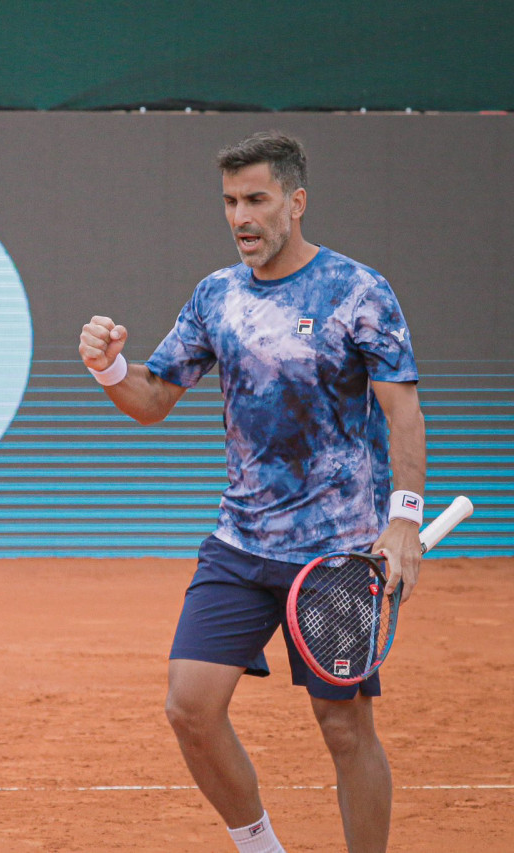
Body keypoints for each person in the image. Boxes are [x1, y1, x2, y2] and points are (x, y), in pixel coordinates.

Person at [78, 132, 425, 853]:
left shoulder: (358, 290)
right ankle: (262, 848)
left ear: (295, 203)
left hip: (336, 556)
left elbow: (402, 411)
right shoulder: (216, 296)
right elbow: (153, 400)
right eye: (231, 201)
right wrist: (110, 368)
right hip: (240, 543)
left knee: (344, 729)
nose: (242, 214)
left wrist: (402, 521)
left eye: (257, 199)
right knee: (189, 709)